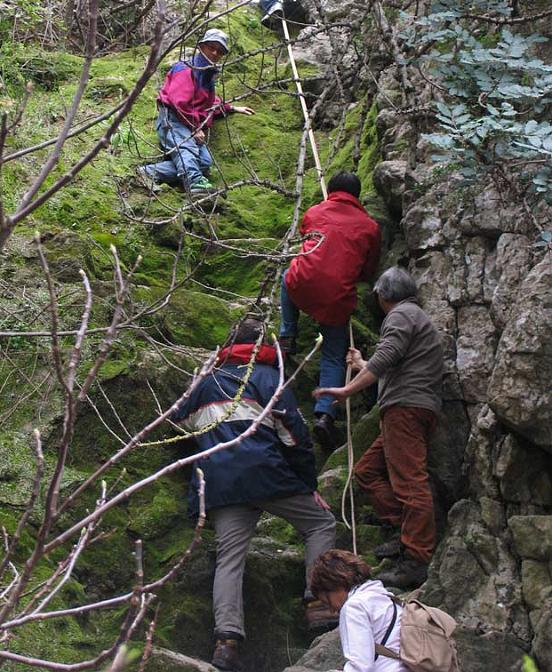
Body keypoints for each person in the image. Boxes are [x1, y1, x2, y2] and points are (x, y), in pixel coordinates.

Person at [175, 317, 337, 672]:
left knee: (229, 559)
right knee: (320, 524)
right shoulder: (269, 379)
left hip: (220, 484)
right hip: (268, 476)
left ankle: (227, 641)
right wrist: (308, 485)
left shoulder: (206, 383)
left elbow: (179, 424)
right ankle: (318, 605)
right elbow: (295, 438)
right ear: (264, 347)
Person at [313, 267, 444, 589]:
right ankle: (404, 532)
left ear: (384, 296)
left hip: (405, 409)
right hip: (409, 406)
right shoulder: (415, 316)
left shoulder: (400, 315)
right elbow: (396, 362)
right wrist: (361, 366)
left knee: (410, 482)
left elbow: (387, 355)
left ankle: (417, 557)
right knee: (367, 471)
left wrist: (346, 390)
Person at [279, 171, 381, 450]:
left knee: (288, 277)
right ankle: (325, 413)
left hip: (304, 283)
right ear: (357, 196)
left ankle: (287, 334)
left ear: (331, 191)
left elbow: (306, 235)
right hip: (336, 297)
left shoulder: (315, 211)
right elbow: (369, 268)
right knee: (334, 354)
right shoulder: (370, 226)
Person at [138, 28, 254, 195]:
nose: (215, 53)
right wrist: (195, 128)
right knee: (188, 149)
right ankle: (195, 184)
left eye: (219, 51)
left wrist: (232, 108)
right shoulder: (186, 68)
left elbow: (209, 104)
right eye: (211, 47)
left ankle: (148, 172)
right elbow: (179, 102)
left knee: (204, 162)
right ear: (201, 46)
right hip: (173, 120)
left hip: (188, 124)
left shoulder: (207, 75)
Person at [310, 549, 406, 672]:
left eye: (327, 602)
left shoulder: (354, 607)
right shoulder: (386, 597)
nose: (332, 610)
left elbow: (360, 667)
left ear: (334, 585)